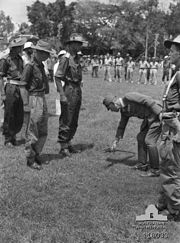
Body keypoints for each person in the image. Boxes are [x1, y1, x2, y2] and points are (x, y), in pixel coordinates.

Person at [103, 92, 162, 177]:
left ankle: (155, 170)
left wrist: (160, 113)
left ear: (113, 103)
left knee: (150, 141)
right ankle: (142, 164)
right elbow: (122, 125)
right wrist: (116, 140)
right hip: (148, 118)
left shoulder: (128, 97)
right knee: (140, 138)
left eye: (109, 108)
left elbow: (147, 100)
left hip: (156, 113)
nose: (111, 110)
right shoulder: (124, 111)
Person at [156, 35, 180, 220]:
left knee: (171, 168)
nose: (169, 53)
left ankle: (175, 210)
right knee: (167, 164)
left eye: (172, 50)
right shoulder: (177, 72)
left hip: (173, 127)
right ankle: (165, 201)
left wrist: (172, 114)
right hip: (170, 125)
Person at [21, 40, 51, 170]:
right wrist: (26, 103)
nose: (46, 56)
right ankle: (31, 158)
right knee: (33, 130)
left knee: (43, 128)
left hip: (41, 97)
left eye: (47, 54)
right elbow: (22, 86)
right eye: (44, 53)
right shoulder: (30, 66)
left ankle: (37, 153)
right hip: (34, 98)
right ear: (37, 52)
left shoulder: (41, 66)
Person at [54, 34, 83, 157]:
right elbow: (57, 77)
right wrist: (62, 94)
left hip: (77, 89)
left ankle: (69, 141)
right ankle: (63, 146)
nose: (79, 46)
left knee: (74, 118)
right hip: (69, 89)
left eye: (80, 44)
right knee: (67, 118)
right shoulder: (65, 58)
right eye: (77, 43)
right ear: (70, 45)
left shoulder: (76, 58)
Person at [0, 38, 26, 147]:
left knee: (19, 113)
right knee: (9, 113)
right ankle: (8, 139)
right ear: (15, 48)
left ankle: (14, 135)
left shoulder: (20, 59)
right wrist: (2, 93)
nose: (22, 48)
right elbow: (0, 77)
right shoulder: (5, 59)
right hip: (10, 87)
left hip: (20, 87)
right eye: (20, 46)